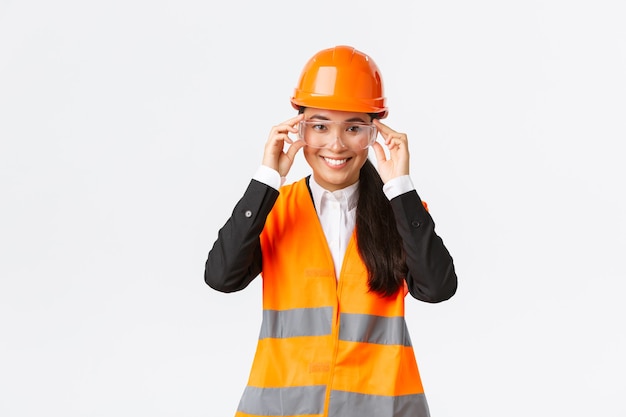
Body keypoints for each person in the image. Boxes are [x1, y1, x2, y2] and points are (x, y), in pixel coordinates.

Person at [204, 45, 457, 417]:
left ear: (375, 134)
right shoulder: (271, 209)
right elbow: (221, 277)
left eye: (354, 128)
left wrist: (401, 187)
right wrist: (266, 180)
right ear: (298, 129)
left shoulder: (400, 212)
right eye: (320, 126)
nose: (336, 144)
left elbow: (437, 289)